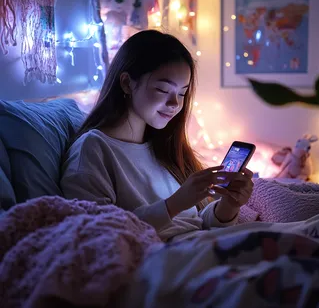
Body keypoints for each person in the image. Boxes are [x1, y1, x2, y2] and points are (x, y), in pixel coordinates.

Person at [60, 30, 254, 242]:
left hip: (202, 247)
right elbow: (97, 235)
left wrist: (229, 205)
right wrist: (174, 204)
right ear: (126, 83)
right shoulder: (93, 149)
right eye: (163, 90)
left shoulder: (163, 147)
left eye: (182, 93)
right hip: (165, 260)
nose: (175, 104)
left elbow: (197, 221)